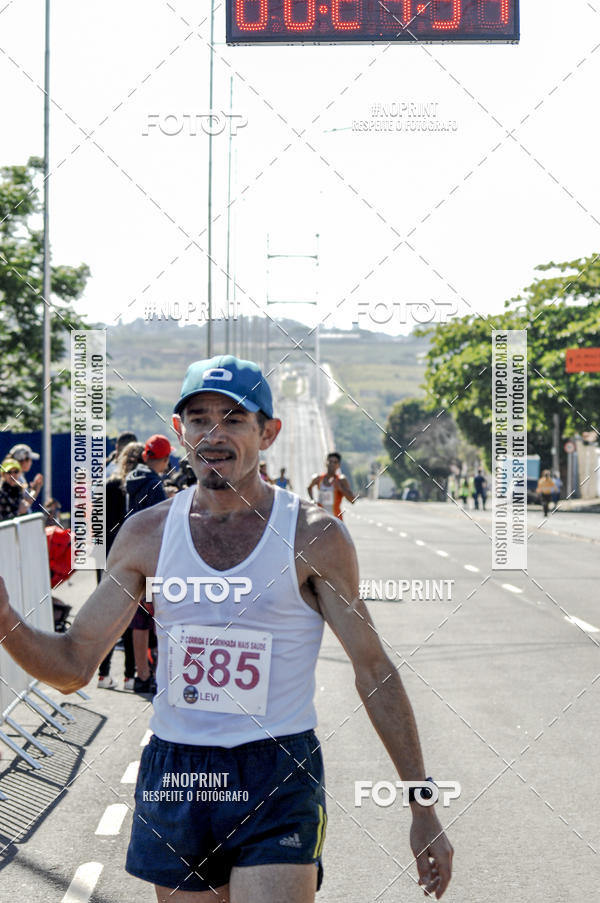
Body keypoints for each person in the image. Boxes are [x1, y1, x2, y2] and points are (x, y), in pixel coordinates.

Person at [0, 355, 453, 902]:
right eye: (199, 418)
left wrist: (421, 803)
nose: (213, 435)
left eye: (234, 419)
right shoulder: (146, 535)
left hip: (277, 768)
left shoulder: (314, 536)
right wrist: (6, 620)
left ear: (268, 433)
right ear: (179, 430)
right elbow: (74, 666)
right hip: (177, 771)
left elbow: (373, 669)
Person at [125, 434, 173, 694]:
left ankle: (141, 674)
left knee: (139, 620)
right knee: (159, 617)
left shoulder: (133, 479)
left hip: (134, 555)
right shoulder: (154, 484)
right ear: (164, 459)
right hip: (153, 560)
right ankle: (158, 674)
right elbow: (159, 525)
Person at [96, 441, 144, 690]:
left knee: (107, 617)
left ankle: (103, 674)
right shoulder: (140, 486)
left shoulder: (108, 485)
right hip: (131, 557)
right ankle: (129, 676)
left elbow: (96, 524)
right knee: (132, 617)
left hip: (107, 557)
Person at [307, 452, 355, 520]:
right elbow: (309, 488)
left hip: (336, 519)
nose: (332, 464)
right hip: (321, 519)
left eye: (335, 462)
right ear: (326, 463)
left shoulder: (341, 480)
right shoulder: (318, 479)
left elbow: (352, 500)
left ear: (338, 465)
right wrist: (312, 500)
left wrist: (340, 488)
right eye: (330, 461)